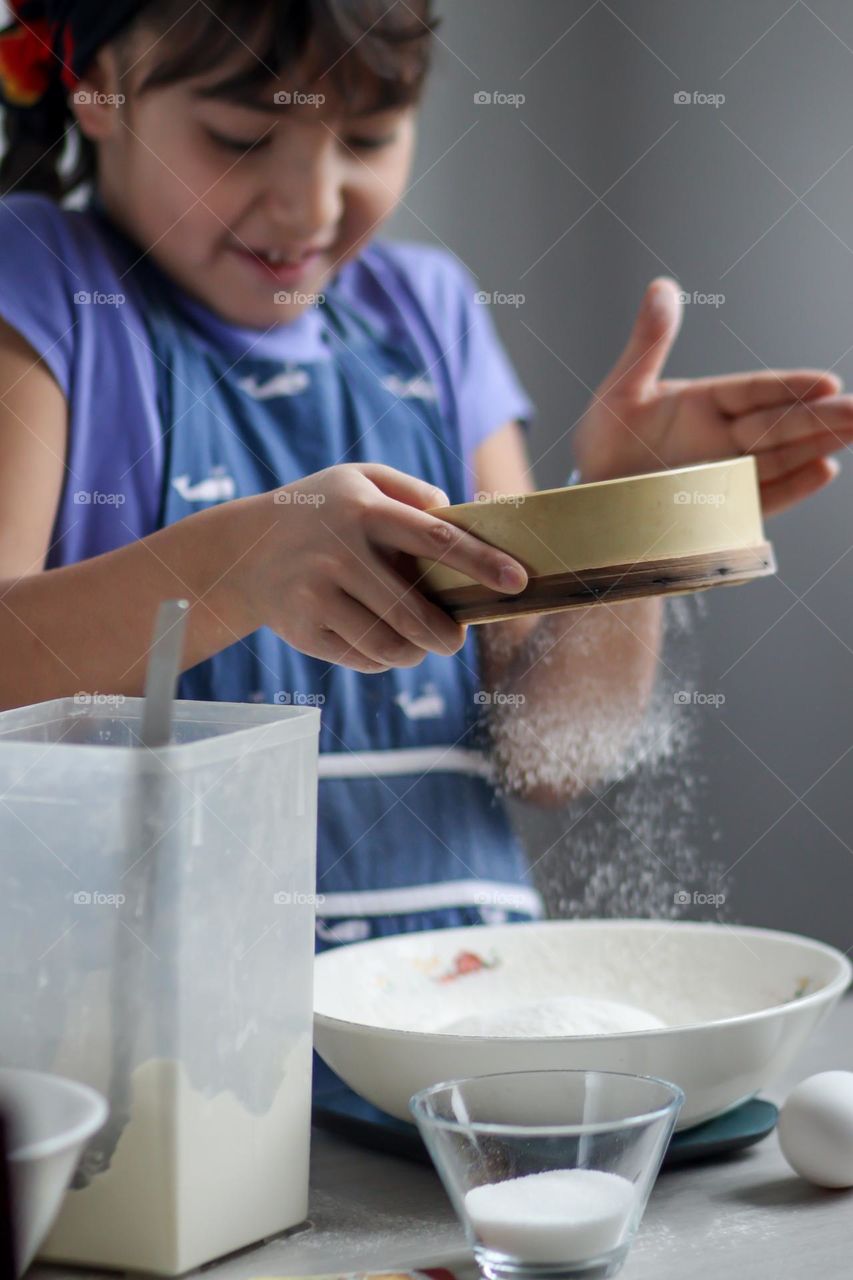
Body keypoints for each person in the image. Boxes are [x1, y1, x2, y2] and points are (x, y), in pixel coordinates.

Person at [0, 0, 850, 966]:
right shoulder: (38, 286)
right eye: (238, 138)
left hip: (448, 1020)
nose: (311, 204)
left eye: (367, 137)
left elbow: (542, 754)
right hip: (159, 1038)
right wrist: (235, 567)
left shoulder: (428, 315)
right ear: (96, 88)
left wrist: (627, 515)